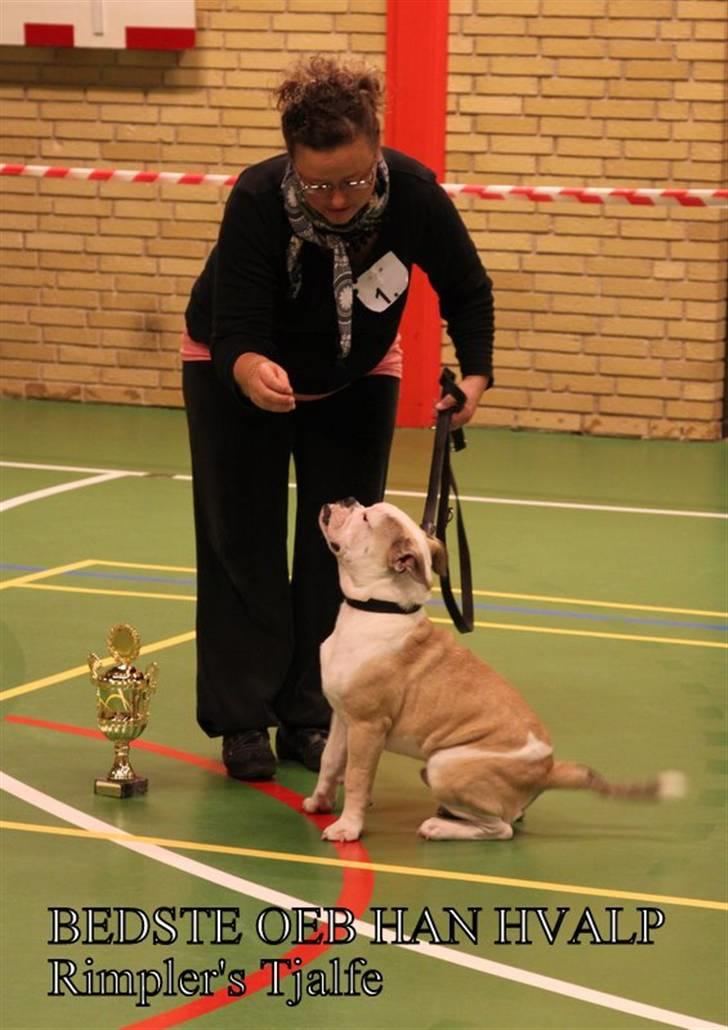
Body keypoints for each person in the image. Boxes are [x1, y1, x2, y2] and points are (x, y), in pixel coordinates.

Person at [182, 55, 494, 781]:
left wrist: (473, 374)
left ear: (377, 149)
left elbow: (467, 289)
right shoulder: (258, 198)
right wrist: (250, 370)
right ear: (292, 163)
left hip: (356, 376)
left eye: (354, 179)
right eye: (319, 184)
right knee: (241, 540)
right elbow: (238, 326)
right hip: (236, 365)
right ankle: (242, 719)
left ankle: (312, 714)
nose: (339, 199)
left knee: (347, 551)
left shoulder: (414, 194)